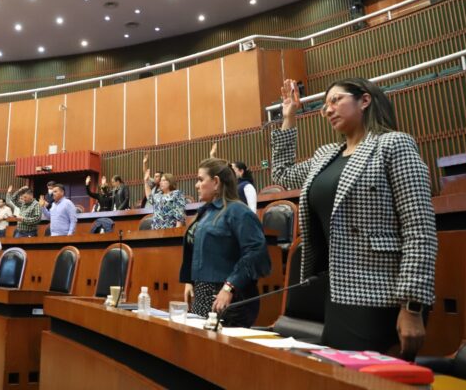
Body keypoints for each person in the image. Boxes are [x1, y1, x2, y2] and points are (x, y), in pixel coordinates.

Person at [271, 78, 438, 359]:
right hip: (336, 291)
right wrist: (289, 117)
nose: (328, 109)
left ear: (364, 100)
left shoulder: (393, 144)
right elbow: (282, 174)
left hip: (382, 293)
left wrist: (412, 306)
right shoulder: (325, 155)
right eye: (325, 106)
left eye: (335, 100)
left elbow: (419, 229)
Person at [180, 158, 271, 326]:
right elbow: (193, 247)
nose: (196, 185)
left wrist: (229, 286)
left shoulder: (238, 211)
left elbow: (255, 252)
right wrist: (189, 281)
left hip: (228, 298)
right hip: (202, 293)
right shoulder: (205, 212)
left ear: (216, 182)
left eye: (200, 180)